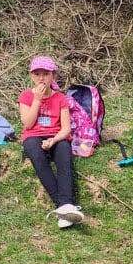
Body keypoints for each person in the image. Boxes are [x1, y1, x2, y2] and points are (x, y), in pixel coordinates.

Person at [18, 56, 84, 229]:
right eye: (37, 74)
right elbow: (28, 123)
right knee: (36, 155)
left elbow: (66, 128)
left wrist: (54, 139)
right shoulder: (26, 96)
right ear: (32, 76)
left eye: (46, 74)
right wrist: (37, 100)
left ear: (53, 76)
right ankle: (64, 206)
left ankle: (65, 205)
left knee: (64, 154)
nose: (41, 78)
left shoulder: (60, 98)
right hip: (33, 136)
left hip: (56, 135)